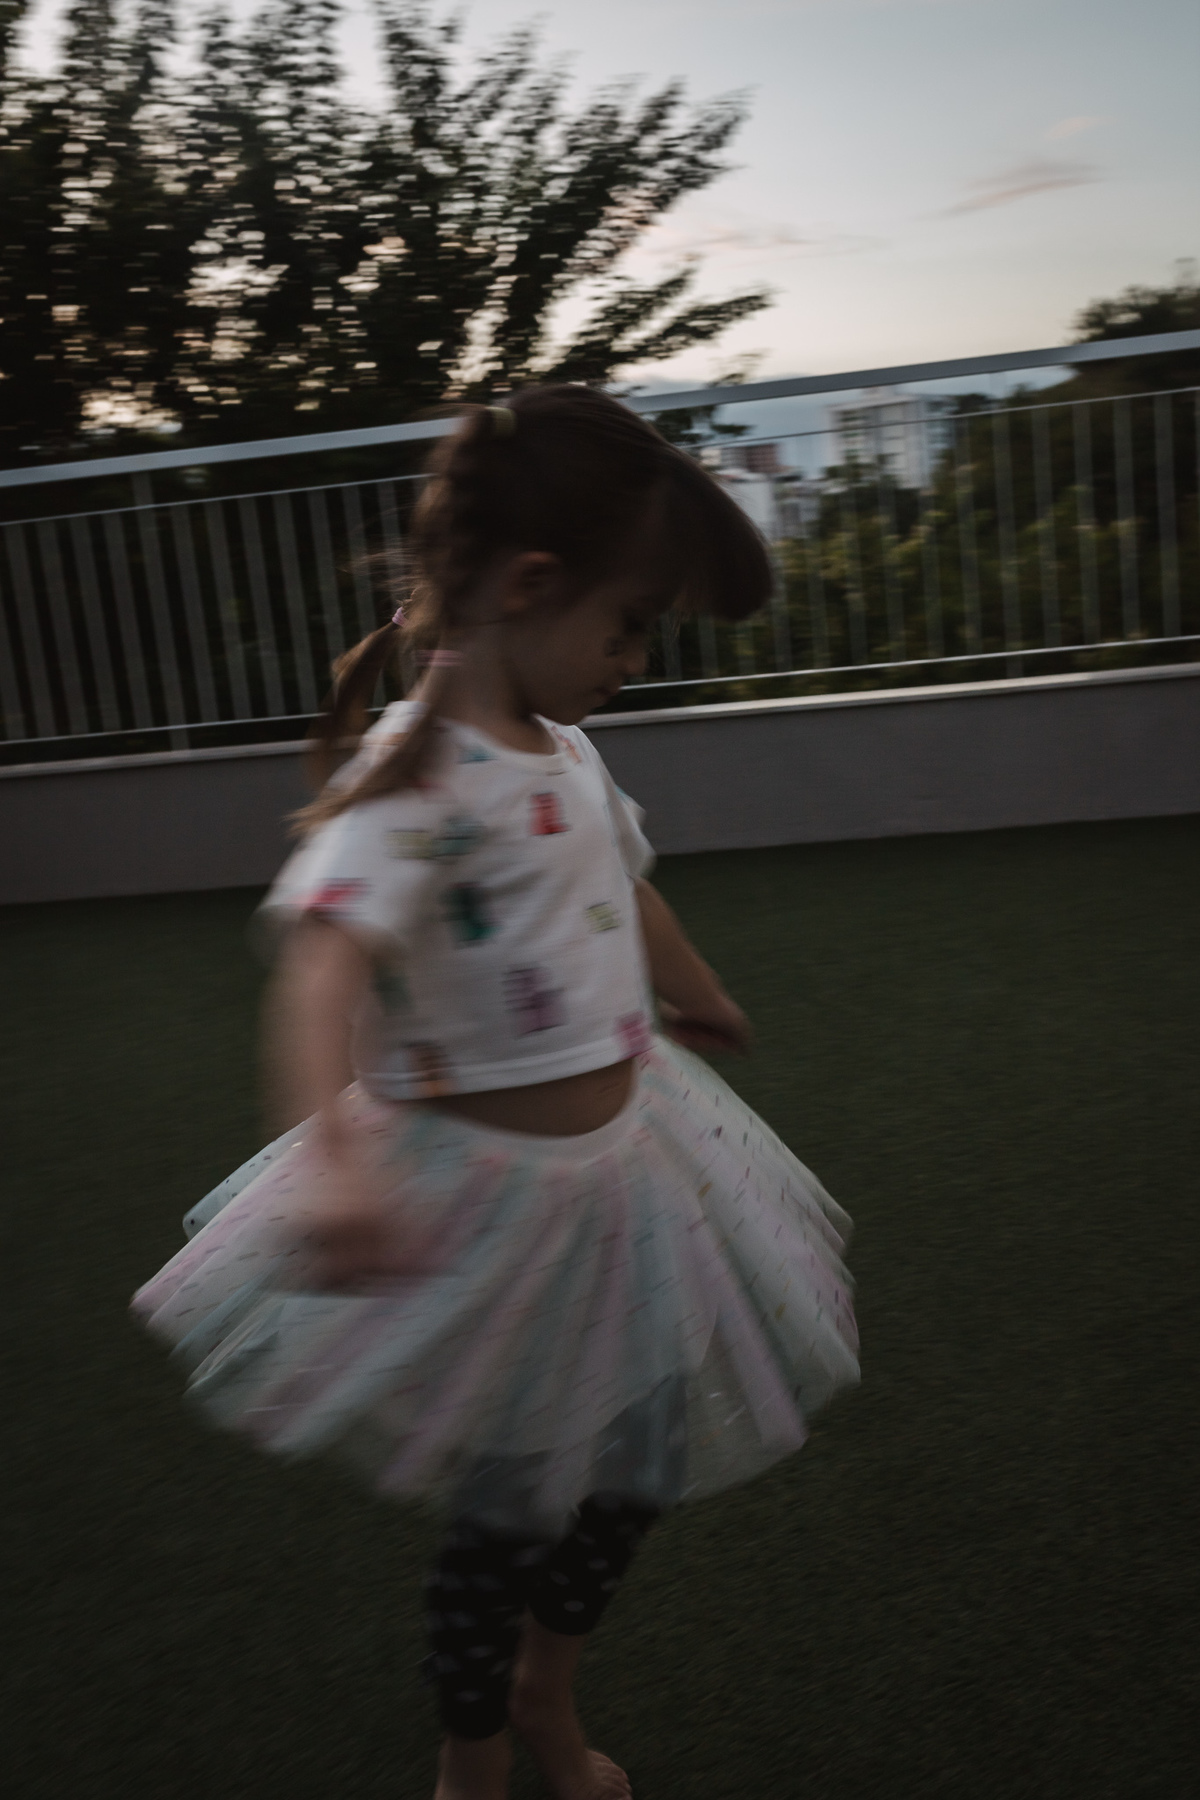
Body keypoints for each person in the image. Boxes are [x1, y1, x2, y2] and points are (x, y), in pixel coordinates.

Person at [132, 386, 860, 1800]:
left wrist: (694, 983)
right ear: (530, 584)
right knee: (509, 1511)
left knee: (639, 1460)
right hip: (494, 1213)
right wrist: (331, 1155)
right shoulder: (415, 777)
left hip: (633, 1173)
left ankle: (546, 1685)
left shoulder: (568, 749)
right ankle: (472, 1756)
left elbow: (622, 886)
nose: (634, 661)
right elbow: (322, 963)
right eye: (628, 626)